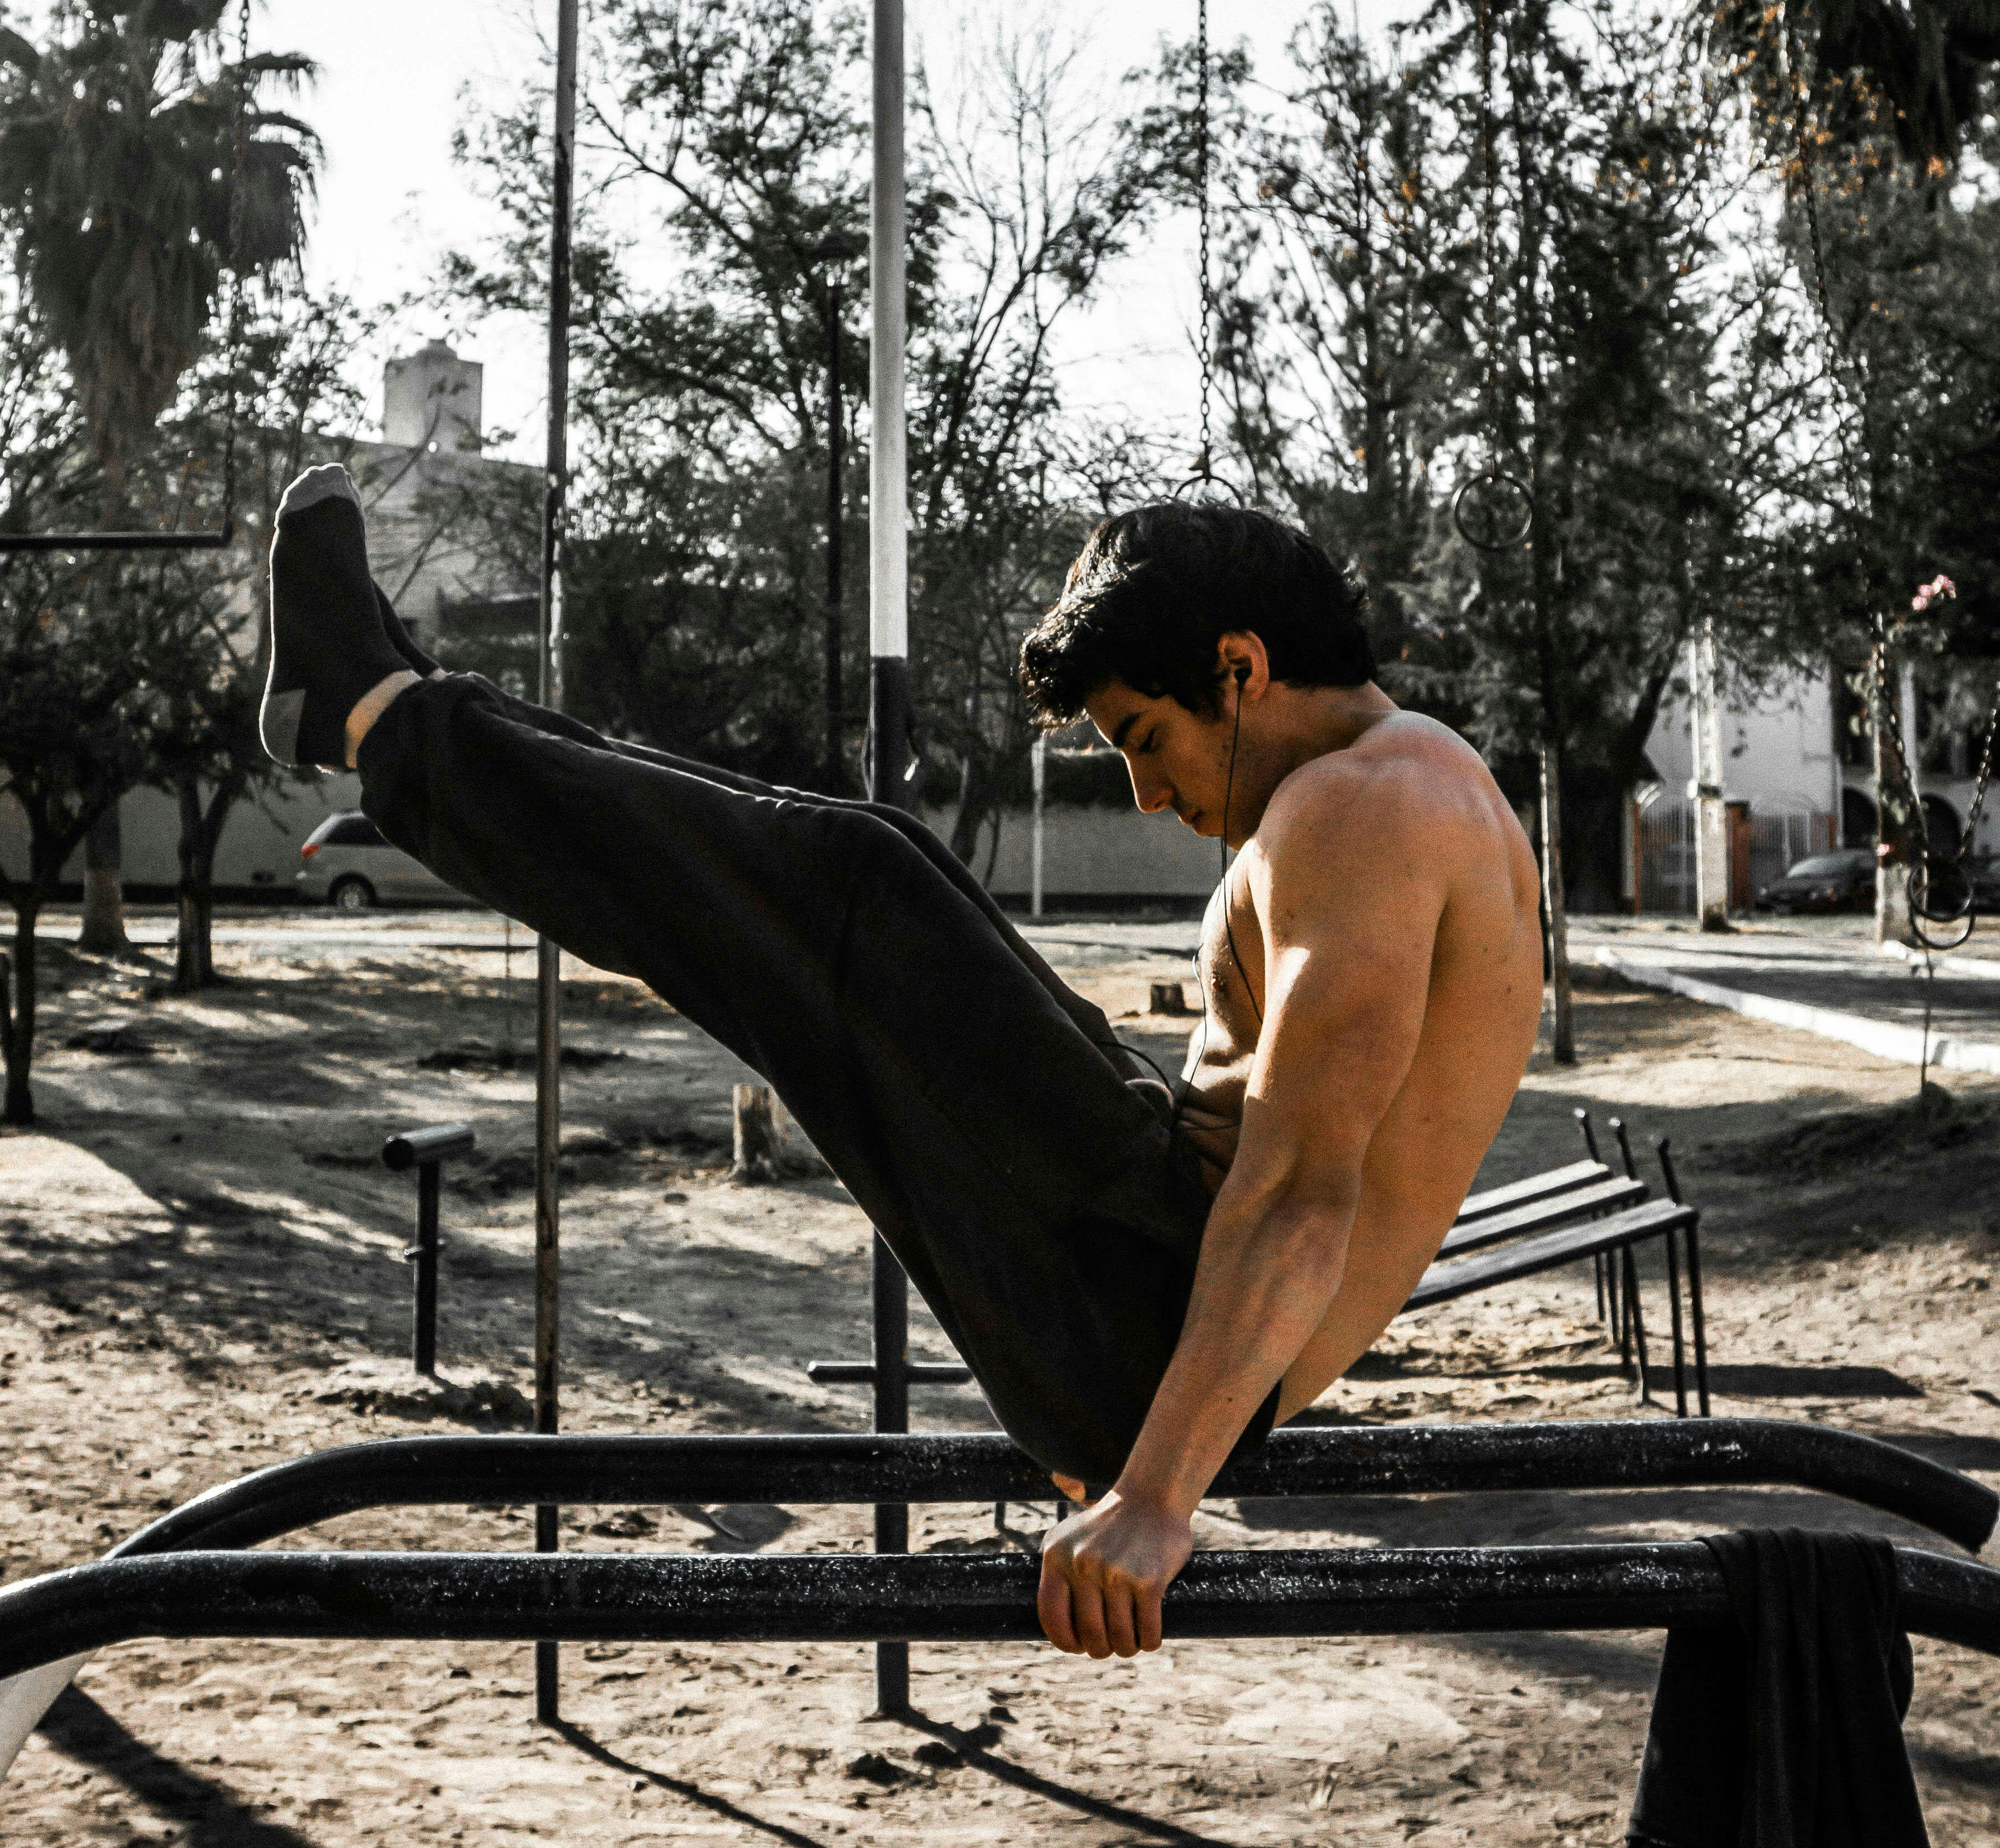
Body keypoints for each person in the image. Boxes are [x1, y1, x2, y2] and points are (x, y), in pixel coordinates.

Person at [262, 473, 1542, 1665]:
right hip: (1151, 1312)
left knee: (848, 894)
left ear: (1240, 667)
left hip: (1144, 1320)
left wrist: (1157, 1489)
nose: (1150, 794)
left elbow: (1302, 1188)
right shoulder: (1420, 783)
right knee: (869, 865)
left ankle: (384, 717)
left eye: (1147, 737)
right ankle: (401, 707)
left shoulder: (1366, 809)